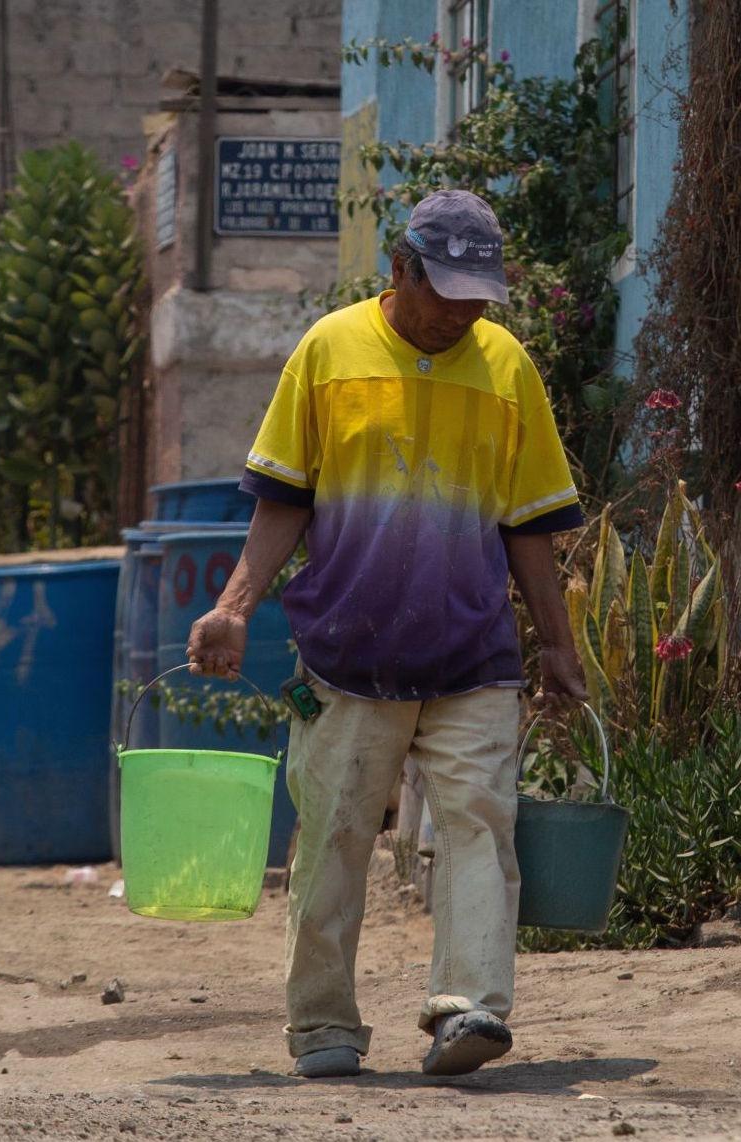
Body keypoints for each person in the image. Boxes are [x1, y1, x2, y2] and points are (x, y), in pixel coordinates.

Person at [184, 189, 588, 1079]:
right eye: (445, 292)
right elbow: (283, 496)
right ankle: (323, 1023)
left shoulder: (508, 367)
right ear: (397, 270)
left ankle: (471, 1008)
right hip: (347, 652)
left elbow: (528, 524)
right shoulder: (329, 352)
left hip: (472, 652)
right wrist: (237, 605)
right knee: (333, 838)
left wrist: (556, 643)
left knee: (481, 825)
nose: (461, 313)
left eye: (477, 297)